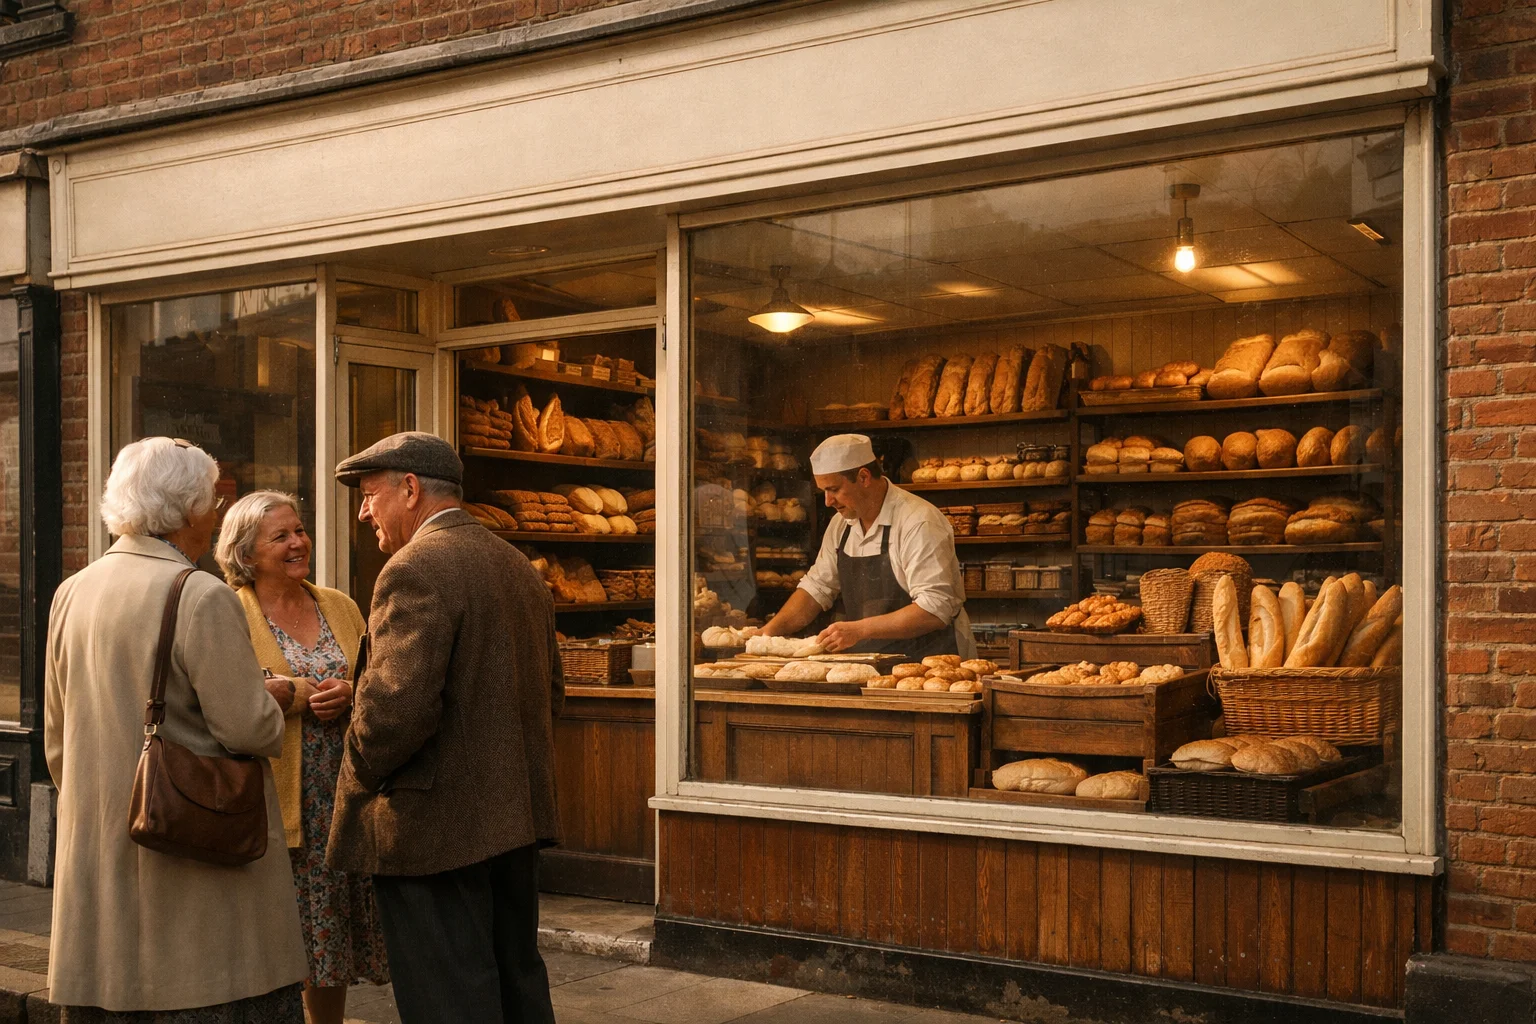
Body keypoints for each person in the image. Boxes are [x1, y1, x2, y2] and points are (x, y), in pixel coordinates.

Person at [44, 437, 307, 1022]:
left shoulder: (73, 591)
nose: (214, 513)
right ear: (190, 509)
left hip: (99, 871)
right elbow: (249, 729)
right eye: (212, 500)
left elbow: (57, 740)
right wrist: (277, 695)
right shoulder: (199, 594)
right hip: (196, 878)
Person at [326, 432, 563, 1024]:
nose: (363, 510)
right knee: (516, 987)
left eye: (369, 493)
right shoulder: (516, 564)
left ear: (410, 489)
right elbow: (550, 693)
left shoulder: (415, 566)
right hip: (512, 821)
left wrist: (357, 765)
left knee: (447, 1000)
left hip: (433, 831)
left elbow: (392, 715)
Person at [214, 491, 390, 1024]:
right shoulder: (225, 611)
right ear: (246, 553)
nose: (299, 543)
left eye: (300, 530)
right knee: (283, 934)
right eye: (282, 537)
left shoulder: (339, 604)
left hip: (343, 796)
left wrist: (351, 693)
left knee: (328, 933)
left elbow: (377, 678)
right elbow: (223, 696)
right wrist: (291, 694)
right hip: (275, 798)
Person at [762, 432, 976, 659]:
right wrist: (766, 634)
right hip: (873, 663)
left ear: (863, 477)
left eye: (834, 489)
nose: (827, 501)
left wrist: (859, 630)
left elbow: (934, 609)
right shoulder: (841, 524)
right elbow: (817, 588)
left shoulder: (918, 521)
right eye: (823, 491)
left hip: (931, 663)